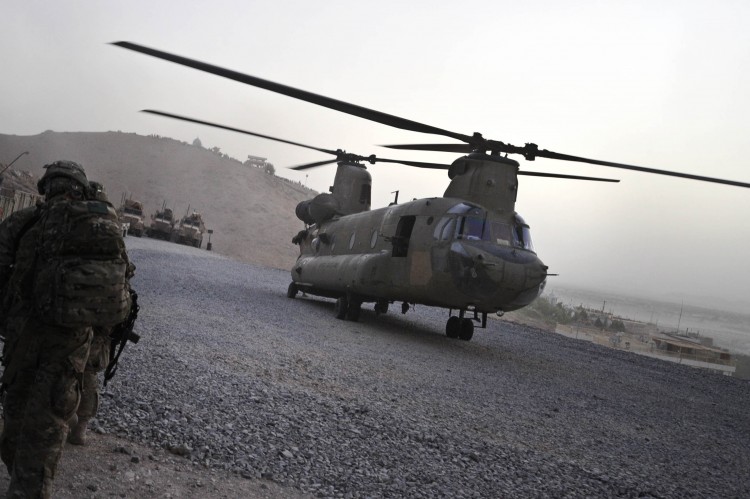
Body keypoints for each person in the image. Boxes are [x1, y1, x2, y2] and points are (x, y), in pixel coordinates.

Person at [0, 161, 130, 498]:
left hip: (22, 338)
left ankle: (24, 482)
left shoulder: (23, 221)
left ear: (46, 187)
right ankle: (30, 486)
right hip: (72, 344)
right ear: (81, 187)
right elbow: (120, 287)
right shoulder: (102, 225)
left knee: (16, 413)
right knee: (48, 422)